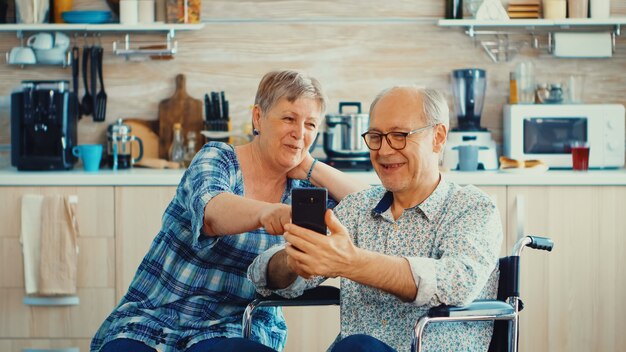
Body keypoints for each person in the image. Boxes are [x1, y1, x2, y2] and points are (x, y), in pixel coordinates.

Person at [90, 70, 369, 352]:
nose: (299, 133)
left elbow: (371, 208)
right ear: (258, 118)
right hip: (155, 316)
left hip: (236, 327)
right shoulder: (217, 158)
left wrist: (312, 166)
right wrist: (268, 213)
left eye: (310, 124)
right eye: (288, 118)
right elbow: (212, 212)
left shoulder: (305, 190)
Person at [248, 86, 503, 351]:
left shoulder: (472, 208)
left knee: (358, 347)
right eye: (376, 137)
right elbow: (263, 275)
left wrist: (352, 263)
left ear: (437, 138)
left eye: (399, 136)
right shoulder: (357, 208)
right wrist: (294, 259)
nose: (383, 151)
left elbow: (456, 282)